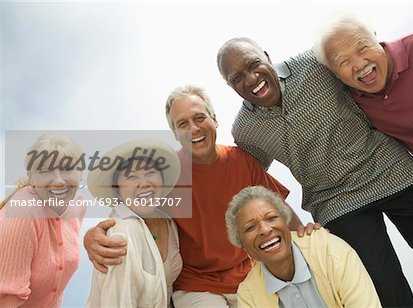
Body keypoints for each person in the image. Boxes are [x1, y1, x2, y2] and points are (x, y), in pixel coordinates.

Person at [217, 37, 413, 307]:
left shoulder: (314, 64)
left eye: (254, 64)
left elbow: (369, 71)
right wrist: (290, 223)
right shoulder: (245, 129)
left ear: (266, 56)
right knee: (383, 291)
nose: (250, 78)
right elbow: (248, 173)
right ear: (229, 85)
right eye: (237, 78)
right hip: (336, 203)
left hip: (390, 169)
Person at [83, 85, 319, 308]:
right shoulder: (167, 175)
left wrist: (307, 239)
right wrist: (92, 236)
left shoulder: (242, 161)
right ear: (175, 134)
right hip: (195, 286)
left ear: (215, 119)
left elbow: (279, 211)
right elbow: (132, 209)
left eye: (199, 118)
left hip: (249, 275)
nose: (193, 129)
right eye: (182, 124)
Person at [312, 13, 413, 192]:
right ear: (333, 72)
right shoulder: (355, 103)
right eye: (343, 61)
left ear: (375, 37)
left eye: (362, 48)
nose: (360, 64)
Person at [226, 186, 382, 307]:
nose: (265, 230)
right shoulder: (248, 294)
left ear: (286, 222)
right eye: (250, 228)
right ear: (243, 246)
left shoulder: (330, 250)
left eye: (272, 218)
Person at [86, 139, 182, 307]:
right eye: (131, 177)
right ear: (118, 190)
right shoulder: (121, 235)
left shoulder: (168, 221)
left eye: (150, 172)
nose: (144, 183)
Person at [0, 134, 86, 307]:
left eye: (67, 168)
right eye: (46, 171)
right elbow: (8, 297)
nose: (59, 181)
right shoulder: (24, 211)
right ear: (32, 178)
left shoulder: (78, 205)